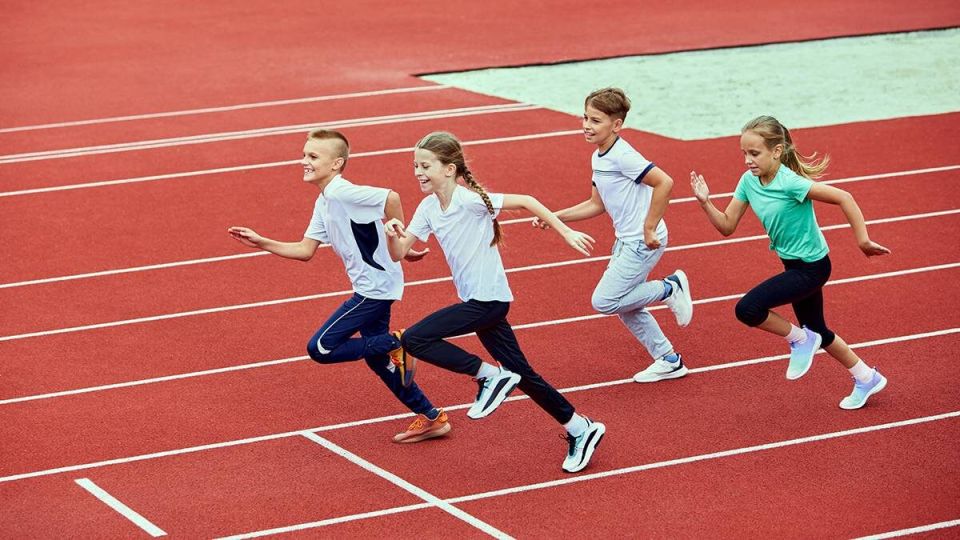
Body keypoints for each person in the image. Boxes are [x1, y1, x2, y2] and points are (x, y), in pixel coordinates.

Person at [384, 131, 605, 473]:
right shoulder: (428, 208)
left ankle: (488, 376)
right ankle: (580, 427)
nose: (418, 172)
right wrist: (392, 234)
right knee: (523, 374)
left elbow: (527, 200)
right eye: (415, 165)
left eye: (425, 166)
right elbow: (399, 253)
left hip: (489, 302)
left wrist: (565, 231)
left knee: (415, 338)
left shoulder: (470, 201)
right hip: (480, 303)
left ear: (449, 169)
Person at [228, 128, 450, 443]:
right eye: (304, 155)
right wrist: (262, 242)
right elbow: (305, 250)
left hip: (373, 290)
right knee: (377, 359)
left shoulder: (342, 193)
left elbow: (390, 197)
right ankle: (431, 417)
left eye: (312, 156)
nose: (304, 161)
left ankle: (399, 342)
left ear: (336, 164)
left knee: (321, 348)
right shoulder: (325, 202)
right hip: (374, 285)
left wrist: (400, 243)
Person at [690, 115, 891, 409]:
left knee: (748, 309)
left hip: (812, 267)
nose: (747, 160)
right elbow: (727, 226)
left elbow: (845, 197)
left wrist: (862, 240)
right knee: (819, 331)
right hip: (792, 265)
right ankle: (866, 377)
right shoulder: (748, 182)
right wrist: (705, 202)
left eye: (754, 153)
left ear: (776, 151)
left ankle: (799, 339)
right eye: (744, 153)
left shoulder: (791, 183)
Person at [533, 87, 693, 384]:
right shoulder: (599, 157)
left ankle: (669, 288)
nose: (586, 125)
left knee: (605, 301)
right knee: (625, 305)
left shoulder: (623, 155)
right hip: (625, 240)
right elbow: (596, 204)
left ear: (616, 125)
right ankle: (669, 360)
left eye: (595, 121)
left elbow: (665, 182)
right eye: (585, 118)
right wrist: (555, 218)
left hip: (642, 242)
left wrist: (649, 226)